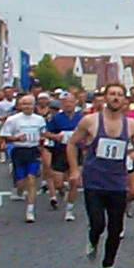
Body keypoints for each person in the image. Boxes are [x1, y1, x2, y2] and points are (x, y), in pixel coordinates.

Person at [67, 83, 134, 268]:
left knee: (115, 227)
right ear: (105, 97)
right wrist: (75, 169)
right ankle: (93, 241)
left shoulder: (130, 124)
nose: (116, 98)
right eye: (112, 94)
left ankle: (109, 264)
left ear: (124, 100)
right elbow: (71, 143)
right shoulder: (90, 121)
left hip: (117, 182)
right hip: (94, 180)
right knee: (98, 223)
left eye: (120, 95)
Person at [0, 95, 46, 224]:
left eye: (29, 104)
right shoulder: (13, 120)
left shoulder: (39, 120)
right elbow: (4, 135)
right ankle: (19, 190)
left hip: (33, 151)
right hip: (19, 151)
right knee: (21, 182)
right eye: (23, 104)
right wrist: (16, 138)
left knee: (32, 180)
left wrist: (42, 144)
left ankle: (30, 211)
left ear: (34, 105)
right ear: (19, 106)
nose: (26, 106)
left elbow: (44, 134)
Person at [45, 92, 85, 221]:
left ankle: (69, 209)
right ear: (62, 104)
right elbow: (46, 133)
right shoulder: (56, 118)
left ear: (75, 103)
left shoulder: (82, 118)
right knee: (57, 181)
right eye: (66, 102)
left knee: (75, 181)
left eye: (71, 102)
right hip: (60, 151)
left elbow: (89, 133)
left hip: (76, 151)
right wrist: (55, 137)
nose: (68, 104)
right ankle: (61, 190)